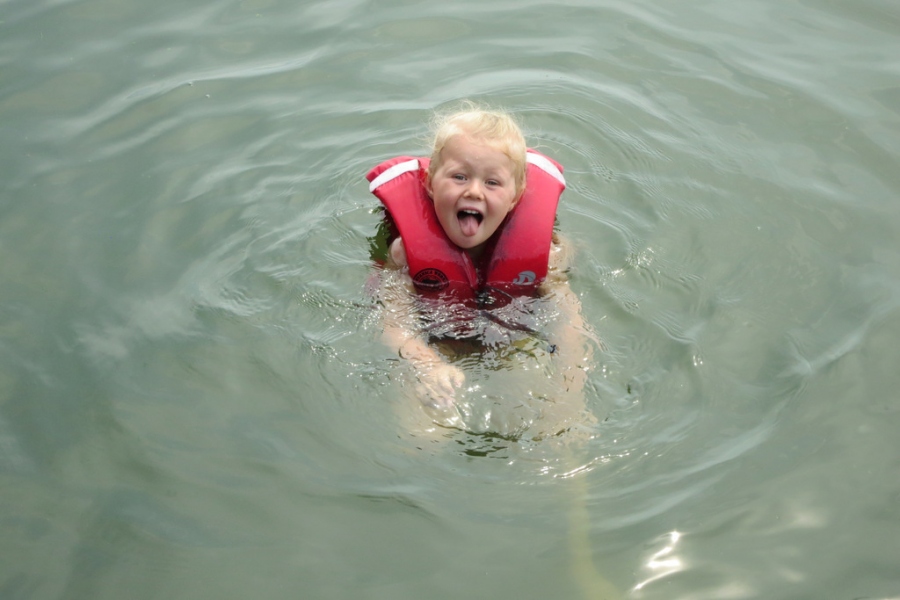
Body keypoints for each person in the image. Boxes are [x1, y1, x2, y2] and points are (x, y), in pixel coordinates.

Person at [367, 103, 595, 438]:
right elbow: (392, 324)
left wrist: (571, 392)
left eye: (492, 182)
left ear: (516, 196)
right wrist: (427, 364)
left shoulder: (546, 254)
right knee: (421, 435)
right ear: (429, 183)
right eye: (459, 176)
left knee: (557, 432)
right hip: (438, 343)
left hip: (512, 343)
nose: (473, 190)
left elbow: (569, 322)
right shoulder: (404, 253)